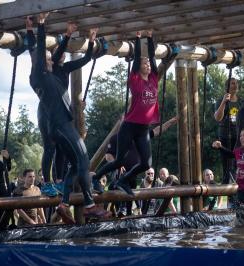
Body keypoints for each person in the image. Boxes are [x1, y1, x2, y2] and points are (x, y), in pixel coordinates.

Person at [29, 13, 110, 224]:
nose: (52, 60)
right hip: (57, 124)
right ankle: (90, 205)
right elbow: (39, 51)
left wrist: (90, 42)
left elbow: (68, 58)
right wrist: (40, 25)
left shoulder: (55, 73)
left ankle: (64, 204)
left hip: (63, 122)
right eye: (48, 58)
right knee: (82, 159)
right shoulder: (40, 75)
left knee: (75, 165)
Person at [26, 17, 98, 185]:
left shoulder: (64, 68)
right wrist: (67, 35)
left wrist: (92, 42)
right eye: (58, 52)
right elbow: (39, 50)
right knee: (50, 146)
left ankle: (60, 178)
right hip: (47, 110)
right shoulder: (48, 69)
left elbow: (85, 60)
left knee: (64, 147)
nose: (61, 54)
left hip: (61, 109)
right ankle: (48, 181)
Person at [91, 30, 160, 196]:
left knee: (146, 164)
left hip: (143, 129)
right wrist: (137, 39)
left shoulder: (153, 79)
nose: (148, 65)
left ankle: (123, 180)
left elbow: (152, 56)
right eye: (145, 64)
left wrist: (150, 38)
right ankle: (96, 178)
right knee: (119, 160)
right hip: (129, 127)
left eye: (148, 64)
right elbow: (136, 60)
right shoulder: (134, 80)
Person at [214, 78, 240, 184]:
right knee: (227, 163)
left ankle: (237, 182)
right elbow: (217, 117)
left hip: (238, 136)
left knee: (237, 162)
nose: (235, 85)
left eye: (236, 83)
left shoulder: (241, 101)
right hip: (226, 136)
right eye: (232, 84)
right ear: (227, 87)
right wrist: (224, 102)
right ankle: (226, 184)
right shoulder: (221, 100)